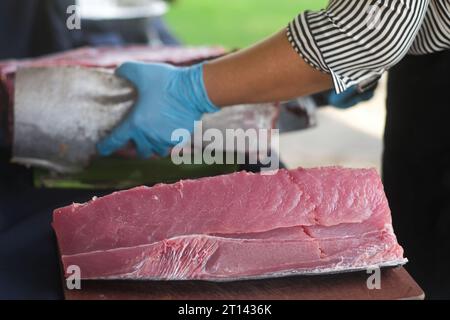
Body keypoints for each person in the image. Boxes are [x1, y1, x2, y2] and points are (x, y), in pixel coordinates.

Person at [97, 0, 450, 298]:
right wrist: (350, 69)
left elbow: (371, 30)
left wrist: (191, 90)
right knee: (416, 253)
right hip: (428, 64)